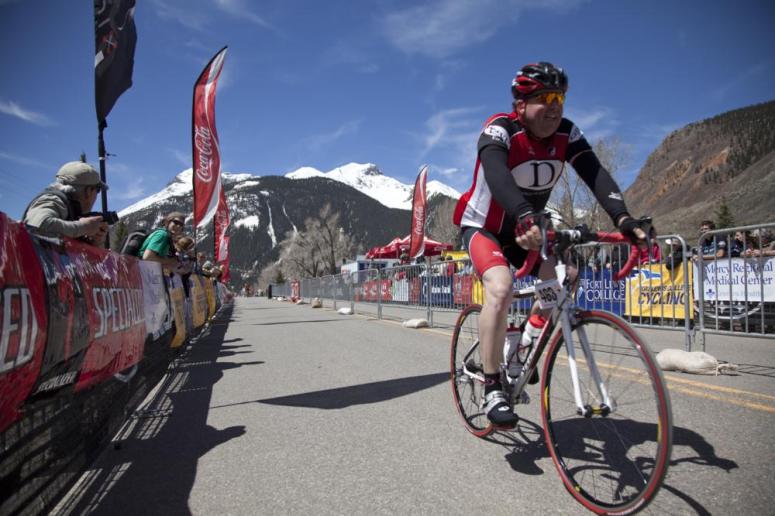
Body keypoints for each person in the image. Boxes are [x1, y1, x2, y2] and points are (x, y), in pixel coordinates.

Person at [453, 62, 647, 427]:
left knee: (565, 276)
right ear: (521, 105)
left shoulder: (567, 134)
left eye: (560, 98)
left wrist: (624, 218)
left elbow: (594, 173)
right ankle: (493, 386)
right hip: (485, 227)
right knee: (501, 287)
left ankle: (524, 342)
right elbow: (496, 173)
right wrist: (526, 214)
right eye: (545, 98)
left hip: (530, 227)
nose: (555, 106)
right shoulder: (500, 128)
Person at [22, 161, 109, 245]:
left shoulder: (70, 208)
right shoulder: (55, 200)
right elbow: (37, 225)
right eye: (97, 190)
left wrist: (92, 241)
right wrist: (84, 227)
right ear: (88, 191)